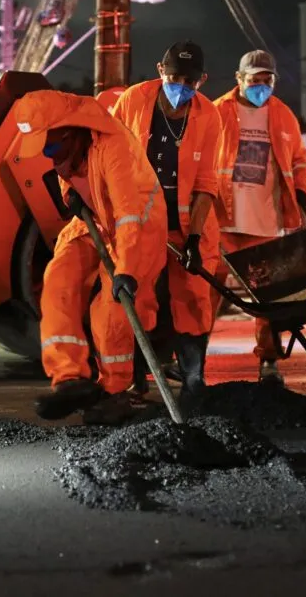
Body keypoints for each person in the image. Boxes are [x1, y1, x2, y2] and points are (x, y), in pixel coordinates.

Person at [13, 90, 167, 423]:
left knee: (111, 312)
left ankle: (115, 393)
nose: (48, 156)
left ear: (71, 130)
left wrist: (126, 270)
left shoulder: (115, 147)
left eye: (51, 147)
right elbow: (70, 173)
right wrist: (71, 195)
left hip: (137, 227)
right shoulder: (67, 144)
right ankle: (69, 379)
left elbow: (128, 214)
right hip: (94, 220)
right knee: (58, 281)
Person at [110, 40, 222, 395]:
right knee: (139, 295)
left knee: (193, 297)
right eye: (175, 79)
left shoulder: (209, 115)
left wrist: (193, 239)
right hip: (140, 223)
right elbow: (109, 152)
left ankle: (193, 377)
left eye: (190, 83)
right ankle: (138, 376)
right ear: (160, 71)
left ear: (202, 80)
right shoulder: (132, 101)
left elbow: (206, 182)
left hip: (188, 225)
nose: (181, 89)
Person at [211, 49, 306, 385]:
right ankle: (189, 361)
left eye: (267, 80)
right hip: (221, 218)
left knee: (267, 298)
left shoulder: (283, 116)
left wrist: (301, 194)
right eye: (254, 80)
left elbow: (299, 161)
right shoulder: (216, 112)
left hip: (264, 223)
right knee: (203, 294)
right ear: (239, 79)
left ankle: (269, 362)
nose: (261, 86)